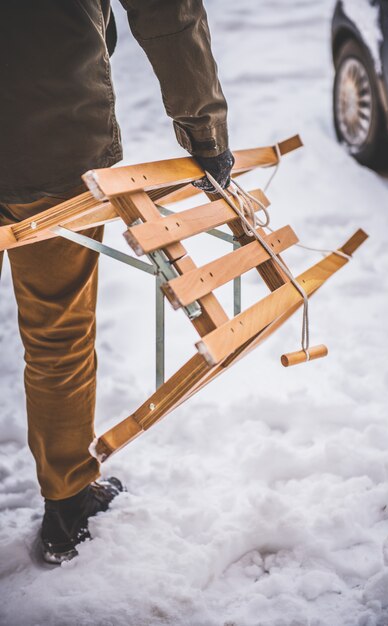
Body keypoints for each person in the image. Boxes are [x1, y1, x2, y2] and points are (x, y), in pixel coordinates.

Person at [0, 0, 234, 564]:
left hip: (47, 136)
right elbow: (167, 11)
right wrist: (205, 133)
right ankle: (67, 503)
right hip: (48, 137)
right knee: (57, 335)